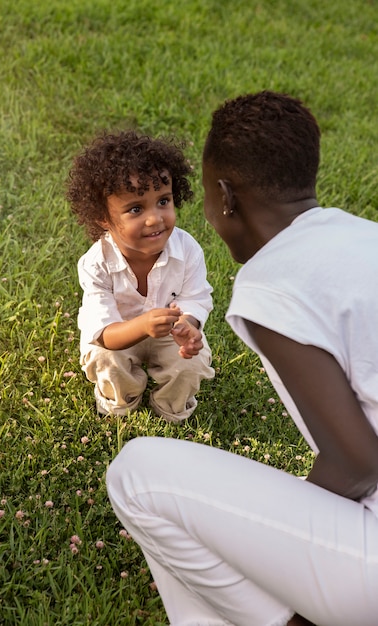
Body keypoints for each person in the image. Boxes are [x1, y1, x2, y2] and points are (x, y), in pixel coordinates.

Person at [106, 91, 378, 625]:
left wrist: (301, 604)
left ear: (225, 196)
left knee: (137, 474)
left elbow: (359, 462)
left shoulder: (273, 281)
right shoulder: (363, 236)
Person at [66, 130, 214, 422]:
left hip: (169, 334)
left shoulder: (187, 250)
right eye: (135, 208)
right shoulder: (97, 264)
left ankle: (170, 407)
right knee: (104, 358)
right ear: (104, 219)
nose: (154, 218)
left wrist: (187, 326)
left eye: (163, 201)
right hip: (119, 335)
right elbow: (105, 334)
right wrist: (143, 325)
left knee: (191, 360)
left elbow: (196, 298)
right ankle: (121, 400)